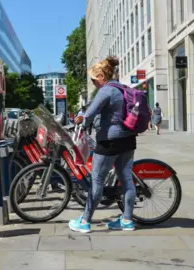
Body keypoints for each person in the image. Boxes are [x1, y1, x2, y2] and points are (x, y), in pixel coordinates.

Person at [68, 56, 137, 233]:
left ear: (101, 76)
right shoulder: (123, 88)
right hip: (128, 139)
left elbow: (89, 113)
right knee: (127, 180)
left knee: (97, 180)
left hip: (109, 140)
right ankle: (127, 220)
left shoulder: (106, 91)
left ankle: (85, 221)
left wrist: (81, 122)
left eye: (93, 79)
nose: (93, 82)